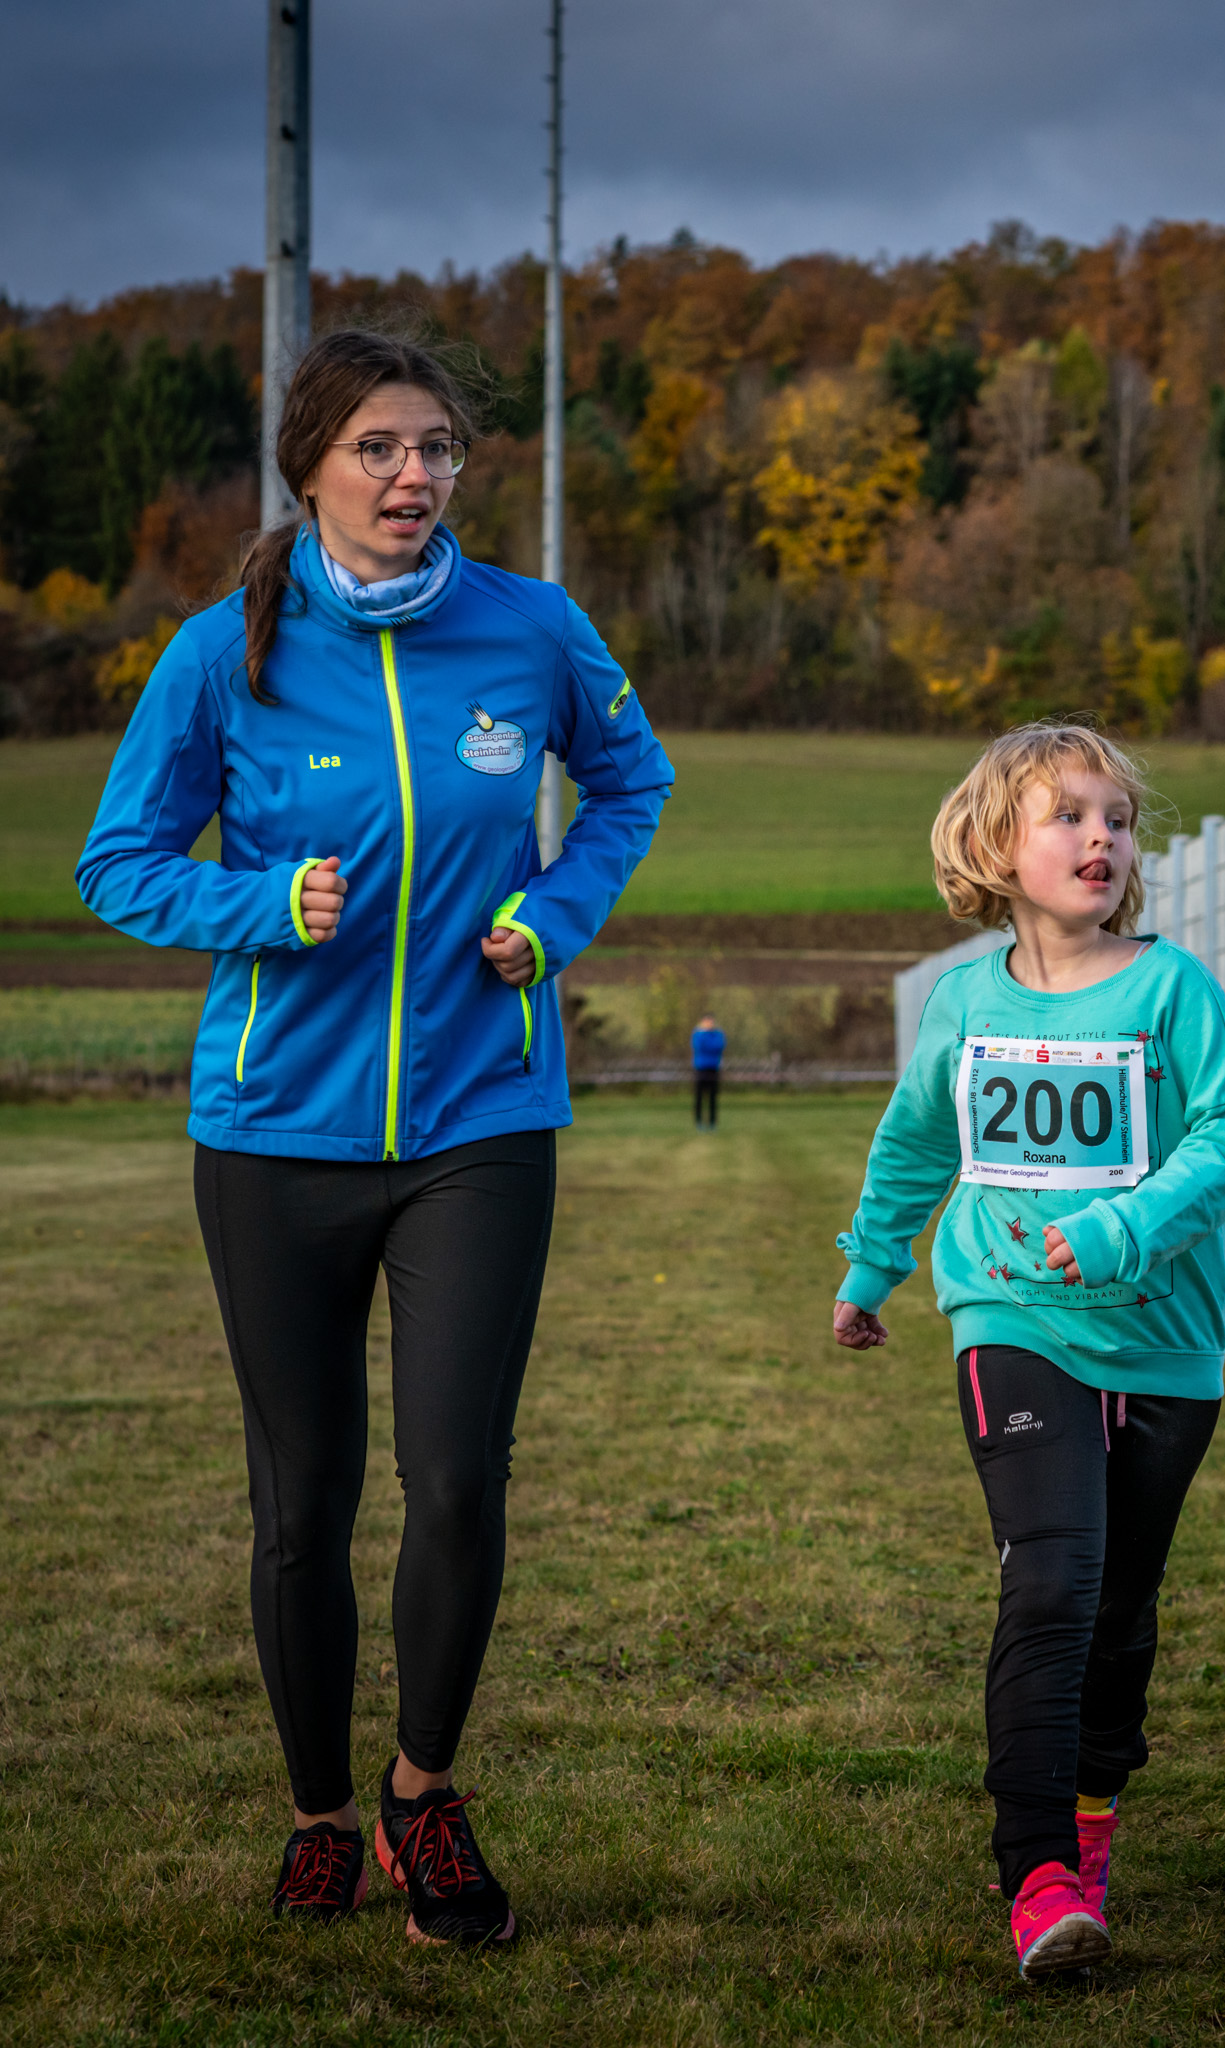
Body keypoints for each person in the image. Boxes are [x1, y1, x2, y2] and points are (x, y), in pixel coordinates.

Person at [77, 329, 672, 1946]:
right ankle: (317, 1814)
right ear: (312, 468)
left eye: (439, 450)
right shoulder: (223, 654)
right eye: (381, 449)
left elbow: (631, 784)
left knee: (457, 1478)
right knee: (301, 1506)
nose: (417, 476)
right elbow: (116, 861)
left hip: (482, 1118)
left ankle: (421, 1794)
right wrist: (262, 904)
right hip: (275, 1131)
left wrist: (553, 915)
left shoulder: (532, 629)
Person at [830, 721, 1225, 1980]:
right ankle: (1036, 1873)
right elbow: (919, 1139)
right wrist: (872, 1265)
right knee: (1052, 1578)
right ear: (995, 847)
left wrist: (1126, 1225)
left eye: (1116, 819)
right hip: (1009, 1314)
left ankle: (1089, 1815)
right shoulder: (966, 1003)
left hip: (1165, 1342)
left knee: (1119, 1607)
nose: (1099, 838)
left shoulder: (1171, 989)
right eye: (1066, 815)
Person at [691, 1011, 725, 1127]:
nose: (709, 1024)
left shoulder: (718, 1034)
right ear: (702, 1022)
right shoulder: (698, 1034)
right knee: (699, 1096)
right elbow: (699, 1047)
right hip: (700, 1068)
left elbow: (718, 1047)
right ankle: (699, 1121)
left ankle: (712, 1122)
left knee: (712, 1097)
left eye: (711, 1021)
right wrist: (704, 1037)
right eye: (707, 1021)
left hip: (713, 1068)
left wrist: (708, 1045)